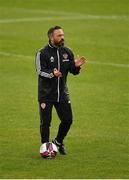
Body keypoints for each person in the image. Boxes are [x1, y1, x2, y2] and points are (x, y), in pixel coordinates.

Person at [35, 26, 86, 156]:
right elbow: (40, 71)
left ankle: (57, 142)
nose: (62, 37)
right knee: (45, 123)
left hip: (62, 93)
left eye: (63, 35)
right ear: (51, 38)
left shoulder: (67, 52)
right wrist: (52, 73)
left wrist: (77, 67)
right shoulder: (42, 53)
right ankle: (45, 148)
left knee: (68, 120)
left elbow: (73, 71)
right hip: (46, 94)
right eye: (59, 35)